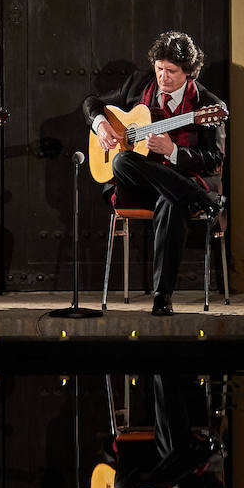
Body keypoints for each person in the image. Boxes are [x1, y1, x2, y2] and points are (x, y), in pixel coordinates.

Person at [82, 30, 226, 315]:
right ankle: (203, 200)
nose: (163, 77)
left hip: (178, 184)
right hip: (138, 187)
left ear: (190, 73)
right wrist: (100, 125)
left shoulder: (208, 106)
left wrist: (172, 151)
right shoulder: (138, 84)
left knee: (171, 202)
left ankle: (162, 296)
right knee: (121, 162)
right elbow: (91, 103)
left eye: (171, 71)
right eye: (159, 68)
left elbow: (214, 159)